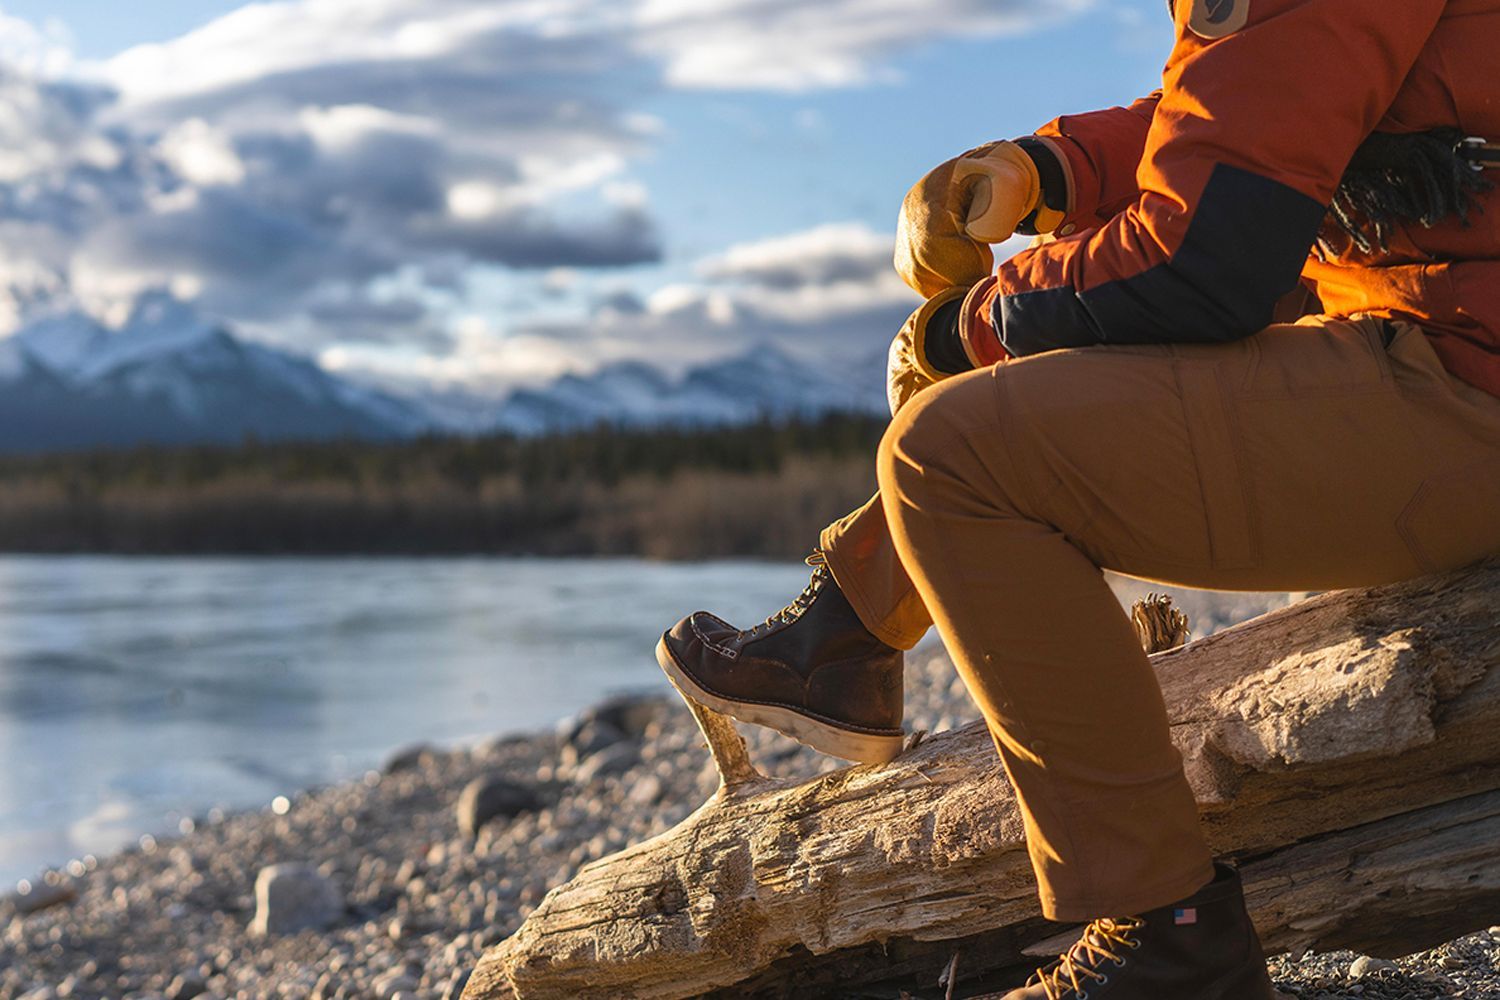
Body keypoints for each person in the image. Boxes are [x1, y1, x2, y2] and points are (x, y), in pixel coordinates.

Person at [655, 0, 1500, 995]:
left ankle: (1166, 935)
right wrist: (1048, 170)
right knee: (1143, 322)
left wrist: (963, 333)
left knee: (951, 454)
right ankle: (846, 633)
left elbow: (1203, 257)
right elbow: (1274, 104)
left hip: (1464, 380)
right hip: (1447, 336)